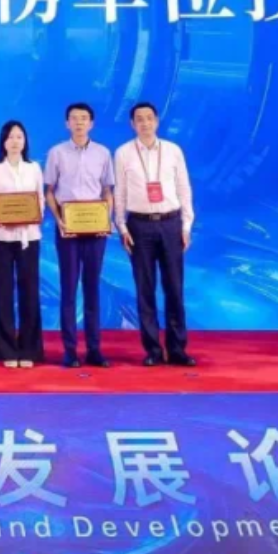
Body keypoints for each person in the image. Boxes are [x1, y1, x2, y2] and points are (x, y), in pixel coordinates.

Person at [115, 102, 196, 367]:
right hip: (139, 225)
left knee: (174, 288)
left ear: (157, 121)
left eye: (149, 118)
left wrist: (186, 226)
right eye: (139, 119)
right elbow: (120, 193)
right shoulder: (123, 153)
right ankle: (152, 349)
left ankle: (177, 348)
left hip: (171, 223)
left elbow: (184, 189)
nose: (145, 123)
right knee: (145, 289)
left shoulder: (173, 150)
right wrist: (121, 226)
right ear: (132, 124)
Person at [44, 101, 116, 368]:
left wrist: (106, 217)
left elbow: (107, 190)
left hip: (96, 230)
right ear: (67, 123)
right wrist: (59, 220)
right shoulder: (56, 153)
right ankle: (70, 350)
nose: (79, 122)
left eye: (84, 118)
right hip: (68, 229)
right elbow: (49, 191)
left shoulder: (103, 153)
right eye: (74, 118)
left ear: (91, 123)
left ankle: (94, 349)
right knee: (68, 289)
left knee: (93, 288)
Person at [0, 120, 46, 368]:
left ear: (25, 141)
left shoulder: (34, 168)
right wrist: (0, 218)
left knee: (30, 292)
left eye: (19, 136)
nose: (15, 141)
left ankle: (29, 349)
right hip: (1, 237)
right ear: (3, 141)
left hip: (29, 237)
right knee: (3, 292)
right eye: (10, 137)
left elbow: (40, 199)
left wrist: (32, 215)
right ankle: (7, 349)